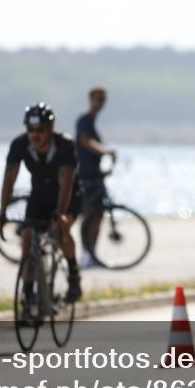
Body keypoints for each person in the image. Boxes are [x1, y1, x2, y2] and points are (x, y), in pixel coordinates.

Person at [0, 103, 82, 314]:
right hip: (39, 195)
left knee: (59, 231)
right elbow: (9, 181)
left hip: (68, 195)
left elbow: (67, 182)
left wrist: (61, 214)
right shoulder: (19, 145)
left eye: (41, 130)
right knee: (28, 239)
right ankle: (28, 296)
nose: (35, 135)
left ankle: (73, 274)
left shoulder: (64, 145)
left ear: (51, 128)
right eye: (31, 130)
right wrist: (2, 212)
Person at [76, 86, 117, 267]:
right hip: (87, 176)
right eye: (98, 99)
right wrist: (105, 151)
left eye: (103, 100)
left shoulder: (92, 121)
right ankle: (86, 254)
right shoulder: (84, 121)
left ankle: (92, 253)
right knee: (88, 216)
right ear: (90, 99)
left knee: (98, 216)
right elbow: (85, 141)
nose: (101, 103)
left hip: (96, 175)